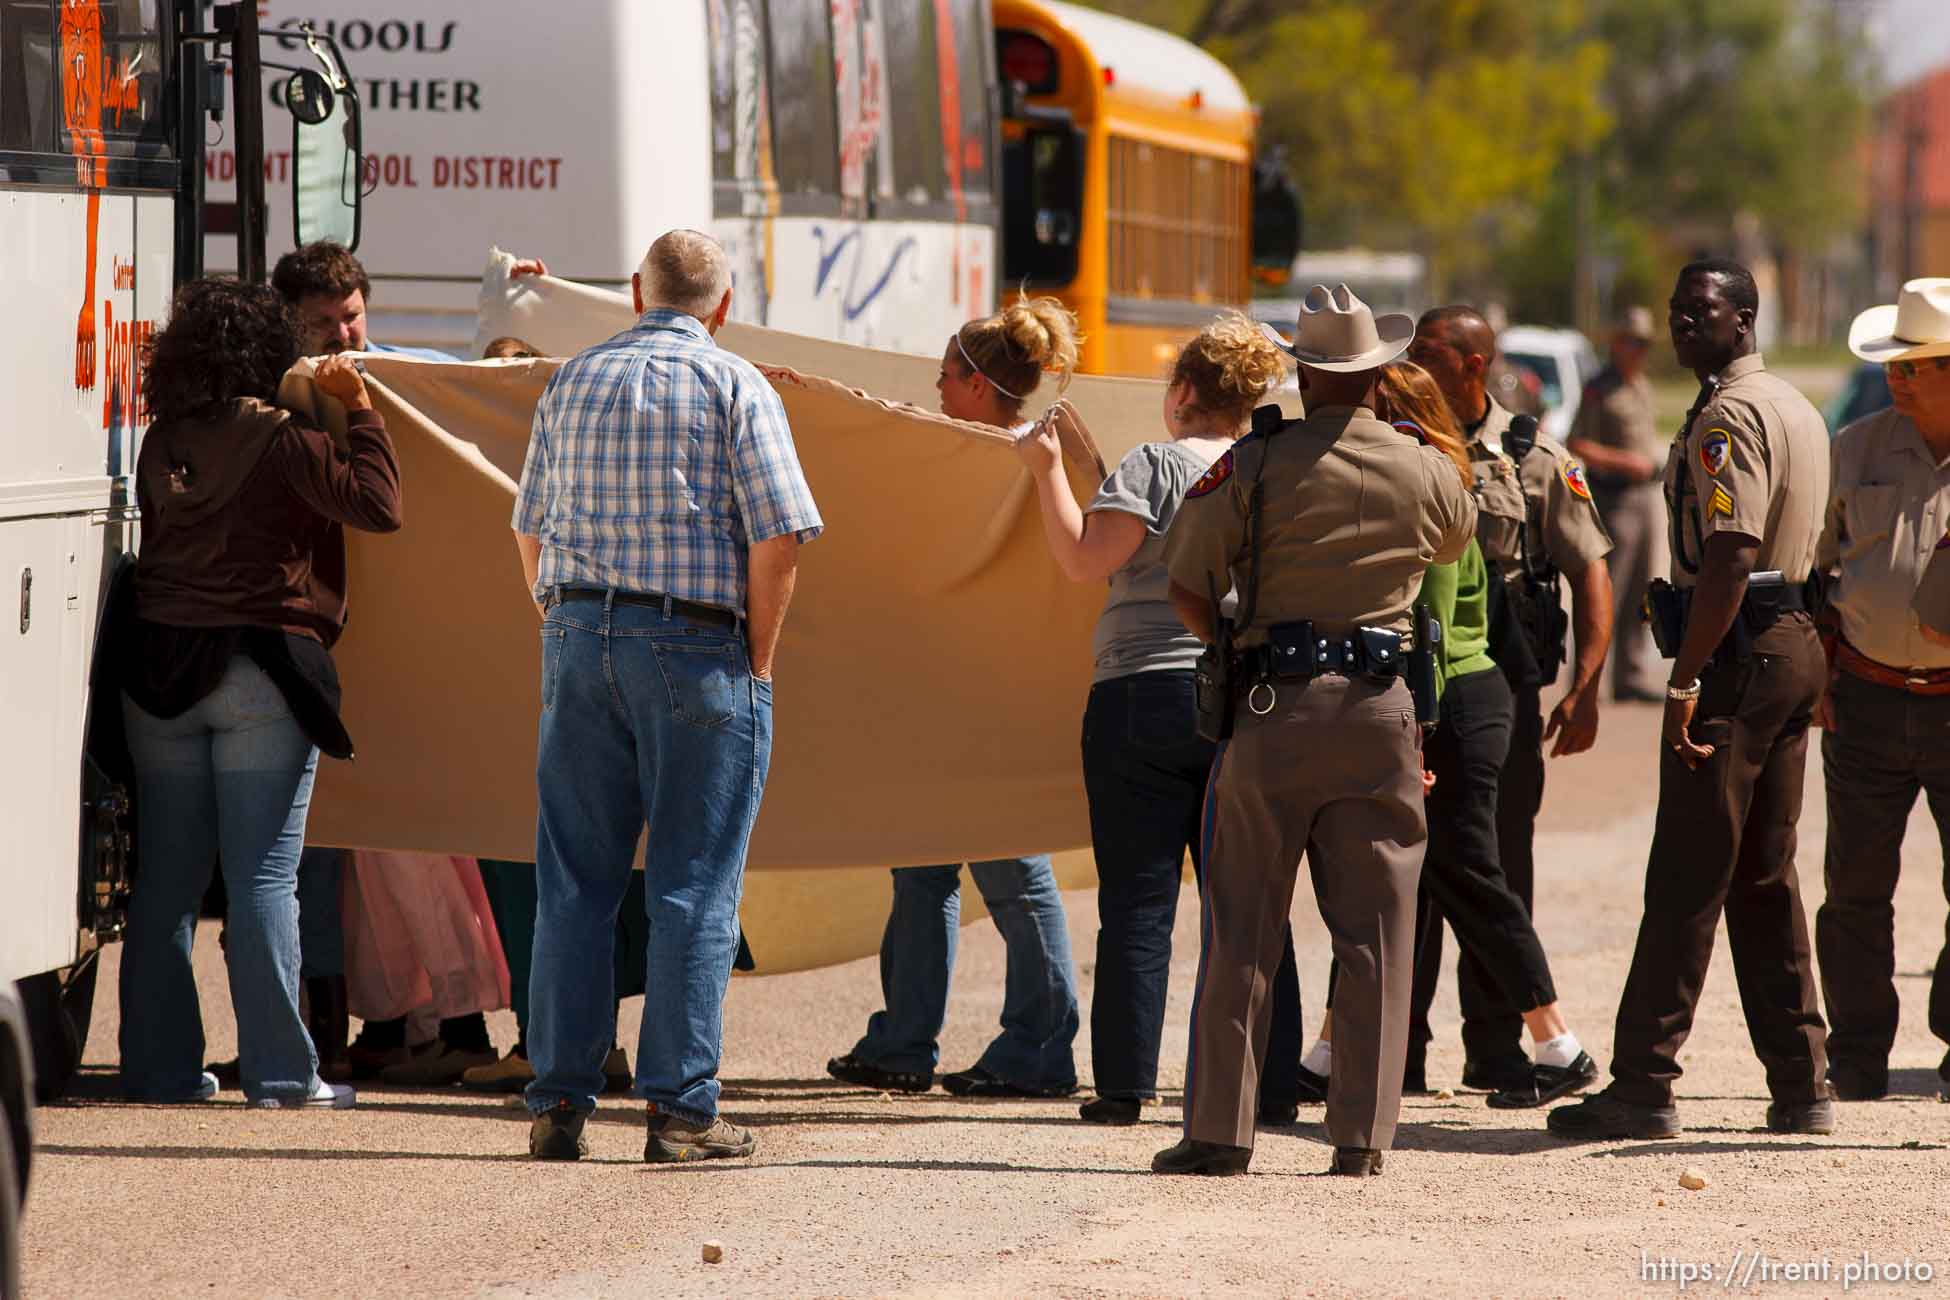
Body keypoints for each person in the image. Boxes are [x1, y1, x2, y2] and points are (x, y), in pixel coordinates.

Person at [1152, 284, 1477, 1177]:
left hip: (1273, 709)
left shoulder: (1255, 463)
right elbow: (1456, 543)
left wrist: (1230, 643)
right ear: (1378, 375)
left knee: (1243, 926)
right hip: (1381, 712)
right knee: (1376, 933)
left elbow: (1186, 580)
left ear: (1302, 375)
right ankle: (1362, 1138)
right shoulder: (1423, 465)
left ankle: (1220, 1133)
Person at [514, 229, 821, 1162]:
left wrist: (564, 620)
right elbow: (780, 535)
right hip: (696, 645)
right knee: (692, 883)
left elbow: (528, 526)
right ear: (722, 306)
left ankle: (558, 1103)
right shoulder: (737, 385)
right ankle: (681, 1110)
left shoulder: (571, 379)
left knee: (574, 880)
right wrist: (757, 658)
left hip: (577, 632)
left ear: (634, 291)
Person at [1550, 258, 1832, 1140]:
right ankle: (1803, 1083)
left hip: (1741, 653)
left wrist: (1685, 678)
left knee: (1686, 871)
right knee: (1763, 873)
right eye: (1676, 309)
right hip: (1790, 642)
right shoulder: (1792, 403)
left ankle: (1643, 1086)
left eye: (1700, 310)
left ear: (1744, 319)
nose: (1681, 322)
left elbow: (1732, 553)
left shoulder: (1731, 416)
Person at [1011, 313, 1308, 1127]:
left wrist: (1046, 471)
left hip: (1140, 693)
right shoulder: (1272, 469)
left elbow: (1085, 558)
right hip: (1246, 697)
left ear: (1181, 393)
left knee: (1138, 900)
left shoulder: (1156, 463)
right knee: (1248, 902)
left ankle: (1123, 1086)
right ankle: (1273, 1081)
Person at [115, 278, 402, 1107]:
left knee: (165, 885)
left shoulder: (163, 439)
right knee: (264, 881)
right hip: (261, 675)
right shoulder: (285, 439)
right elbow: (379, 506)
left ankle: (159, 1071)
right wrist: (362, 412)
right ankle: (282, 1074)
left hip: (159, 676)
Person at [1303, 362, 1599, 1109]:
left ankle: (1557, 1043)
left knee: (1467, 875)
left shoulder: (1428, 493)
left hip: (1450, 704)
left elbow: (1425, 633)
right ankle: (1332, 1050)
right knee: (1396, 879)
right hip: (1453, 699)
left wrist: (1415, 739)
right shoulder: (1434, 484)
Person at [824, 297, 1083, 1102]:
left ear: (975, 384)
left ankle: (1037, 1045)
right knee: (924, 868)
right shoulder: (1010, 449)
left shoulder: (1009, 455)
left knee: (1010, 874)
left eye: (944, 375)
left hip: (987, 699)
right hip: (950, 693)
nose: (935, 388)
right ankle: (905, 1042)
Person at [1407, 305, 1614, 1094]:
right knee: (1412, 869)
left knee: (1493, 862)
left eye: (1427, 353)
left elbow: (1589, 568)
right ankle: (1398, 1046)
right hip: (1416, 684)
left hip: (1502, 687)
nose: (1411, 365)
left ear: (1472, 364)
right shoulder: (1401, 444)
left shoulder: (1532, 456)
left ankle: (1497, 1047)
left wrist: (1586, 686)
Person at [1812, 276, 1950, 1099]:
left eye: (1914, 365)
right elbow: (1812, 572)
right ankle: (1858, 1056)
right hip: (1864, 699)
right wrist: (1821, 669)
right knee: (1855, 893)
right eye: (1893, 364)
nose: (1895, 377)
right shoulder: (1853, 449)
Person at [1568, 307, 1668, 702]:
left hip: (1645, 497)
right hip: (1614, 499)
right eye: (1633, 342)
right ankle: (1588, 675)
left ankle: (1630, 675)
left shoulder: (1641, 384)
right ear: (1616, 343)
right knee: (1607, 590)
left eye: (1645, 344)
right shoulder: (1599, 389)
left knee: (1641, 591)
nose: (1639, 351)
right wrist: (1625, 462)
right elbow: (1578, 443)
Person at [271, 240, 457, 360]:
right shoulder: (271, 394)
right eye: (323, 322)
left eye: (351, 316)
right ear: (289, 324)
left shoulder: (434, 371)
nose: (342, 335)